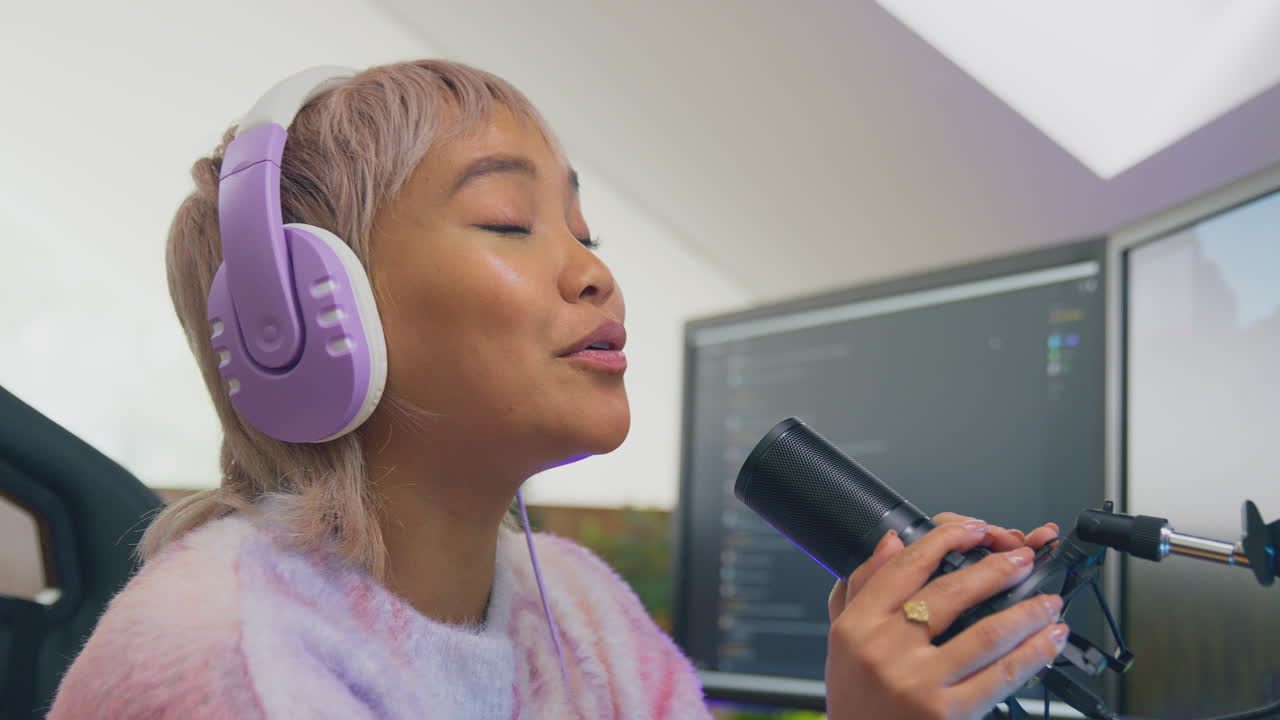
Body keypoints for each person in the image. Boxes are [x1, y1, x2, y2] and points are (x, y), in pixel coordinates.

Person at [47, 60, 1067, 720]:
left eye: (586, 232)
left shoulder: (575, 610)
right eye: (506, 220)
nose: (592, 272)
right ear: (305, 319)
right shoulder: (228, 659)